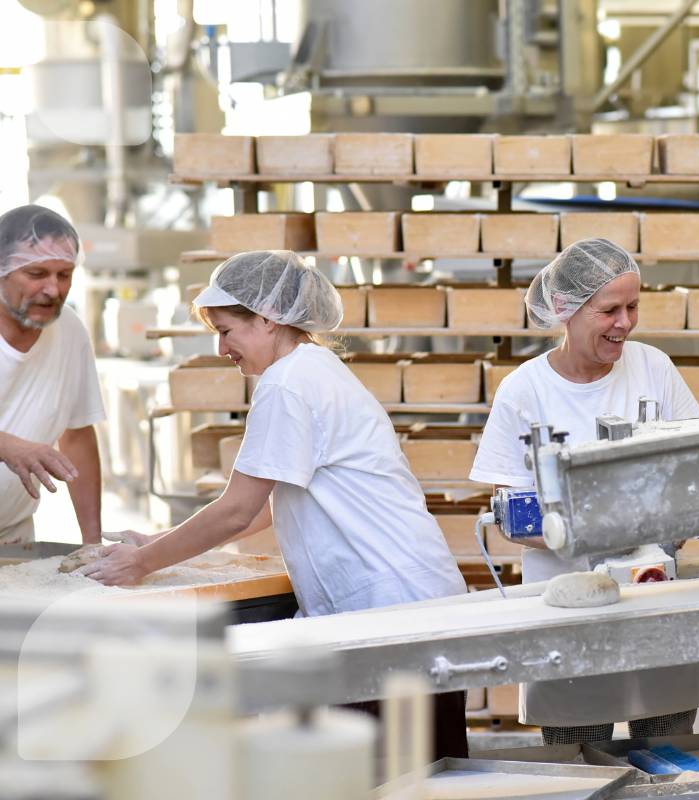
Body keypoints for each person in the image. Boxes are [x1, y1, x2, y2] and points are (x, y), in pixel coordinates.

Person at [83, 250, 470, 757]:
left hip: (389, 613)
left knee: (392, 780)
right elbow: (270, 503)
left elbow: (237, 509)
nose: (221, 347)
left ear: (266, 318)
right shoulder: (312, 369)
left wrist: (141, 563)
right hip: (404, 607)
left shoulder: (288, 384)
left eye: (226, 330)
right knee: (413, 776)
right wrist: (157, 542)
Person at [470, 238, 699, 745]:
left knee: (668, 752)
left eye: (633, 306)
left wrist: (678, 517)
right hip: (569, 609)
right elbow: (513, 513)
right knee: (579, 757)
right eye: (609, 310)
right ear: (566, 311)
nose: (625, 322)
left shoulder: (653, 368)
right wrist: (591, 537)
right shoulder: (525, 390)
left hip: (654, 599)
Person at [0, 205, 104, 545]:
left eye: (64, 275)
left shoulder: (69, 330)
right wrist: (7, 445)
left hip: (11, 538)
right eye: (37, 274)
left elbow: (77, 436)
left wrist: (92, 543)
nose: (53, 290)